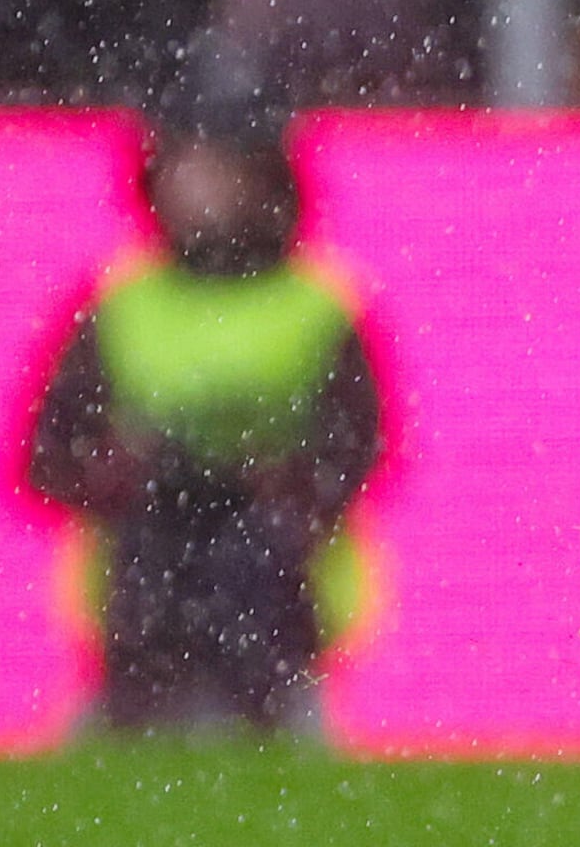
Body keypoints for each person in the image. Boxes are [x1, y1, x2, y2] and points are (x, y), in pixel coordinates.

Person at [26, 85, 382, 733]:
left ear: (264, 177)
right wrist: (133, 473)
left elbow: (358, 445)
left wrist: (271, 486)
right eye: (186, 165)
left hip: (277, 603)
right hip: (141, 598)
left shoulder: (319, 302)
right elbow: (48, 452)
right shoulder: (121, 301)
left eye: (221, 166)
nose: (202, 188)